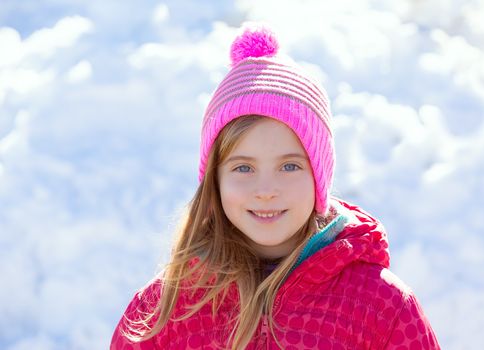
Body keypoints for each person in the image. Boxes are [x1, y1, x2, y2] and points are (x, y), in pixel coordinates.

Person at [111, 22, 441, 350]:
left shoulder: (380, 307)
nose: (266, 189)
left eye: (289, 166)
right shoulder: (162, 311)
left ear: (318, 177)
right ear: (216, 182)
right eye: (243, 167)